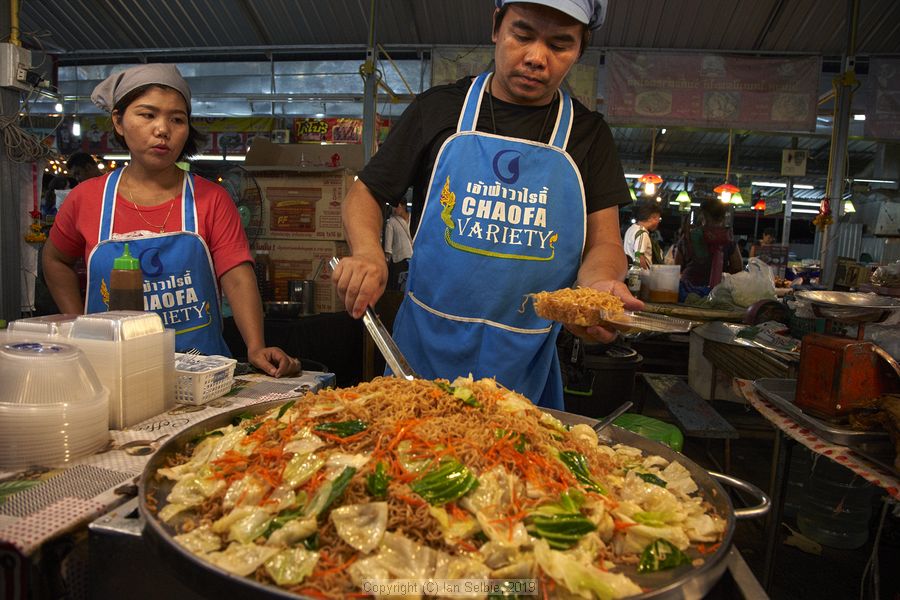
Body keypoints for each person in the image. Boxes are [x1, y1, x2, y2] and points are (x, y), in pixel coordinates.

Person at [333, 0, 640, 409]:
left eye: (559, 45)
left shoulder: (589, 135)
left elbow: (605, 242)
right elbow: (366, 192)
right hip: (421, 356)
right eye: (522, 35)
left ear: (580, 49)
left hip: (524, 367)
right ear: (497, 27)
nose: (536, 57)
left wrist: (597, 287)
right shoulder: (438, 109)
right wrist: (368, 253)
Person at [43, 64, 299, 377]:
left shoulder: (212, 199)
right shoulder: (87, 198)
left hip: (203, 375)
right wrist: (77, 325)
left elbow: (236, 275)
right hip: (110, 373)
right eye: (147, 115)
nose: (162, 129)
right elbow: (55, 259)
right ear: (118, 121)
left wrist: (256, 346)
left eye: (177, 119)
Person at [674, 197, 743, 294]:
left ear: (702, 215)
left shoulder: (689, 236)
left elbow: (677, 266)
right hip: (717, 292)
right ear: (723, 217)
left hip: (688, 290)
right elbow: (737, 267)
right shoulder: (727, 238)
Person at [623, 201, 662, 269]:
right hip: (638, 274)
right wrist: (646, 273)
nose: (658, 222)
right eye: (658, 219)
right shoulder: (642, 233)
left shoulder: (631, 229)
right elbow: (639, 257)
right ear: (651, 218)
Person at [383, 201, 413, 290]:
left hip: (413, 259)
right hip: (400, 260)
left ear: (403, 206)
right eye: (393, 207)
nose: (394, 209)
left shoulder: (415, 218)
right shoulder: (392, 221)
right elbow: (388, 247)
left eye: (396, 207)